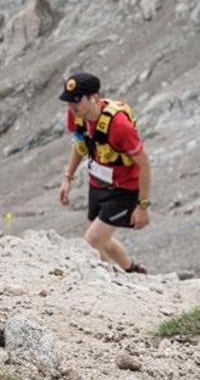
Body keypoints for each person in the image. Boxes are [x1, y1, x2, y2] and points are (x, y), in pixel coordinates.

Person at [57, 72, 150, 274]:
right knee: (102, 239)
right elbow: (80, 146)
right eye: (68, 102)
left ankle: (107, 281)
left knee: (91, 241)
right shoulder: (77, 117)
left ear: (94, 98)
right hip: (98, 184)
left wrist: (142, 206)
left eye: (77, 101)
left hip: (124, 189)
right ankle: (132, 271)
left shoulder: (120, 126)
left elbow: (144, 164)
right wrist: (68, 178)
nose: (72, 107)